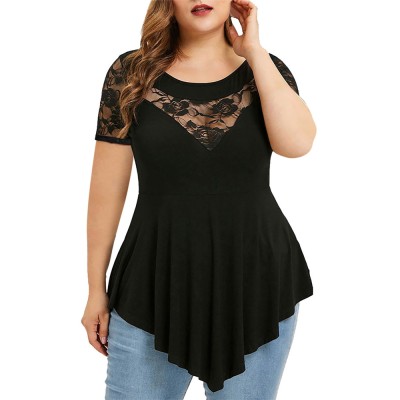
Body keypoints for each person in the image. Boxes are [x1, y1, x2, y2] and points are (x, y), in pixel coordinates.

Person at [81, 0, 317, 398]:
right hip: (152, 284)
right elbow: (106, 192)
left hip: (255, 283)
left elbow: (296, 144)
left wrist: (254, 52)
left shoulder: (265, 69)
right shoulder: (131, 73)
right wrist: (95, 289)